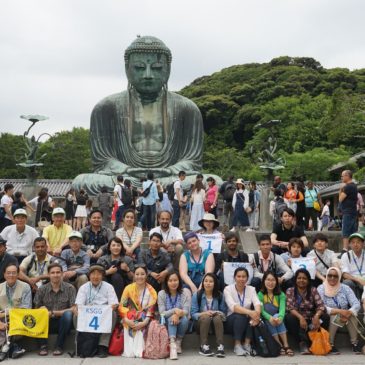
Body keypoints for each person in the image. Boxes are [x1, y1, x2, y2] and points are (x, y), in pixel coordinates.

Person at [72, 35, 209, 195]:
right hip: (125, 176)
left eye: (157, 68)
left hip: (169, 176)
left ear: (168, 69)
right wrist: (128, 170)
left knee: (209, 181)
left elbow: (192, 161)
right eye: (139, 67)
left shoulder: (187, 108)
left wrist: (171, 170)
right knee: (82, 181)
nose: (148, 74)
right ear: (127, 68)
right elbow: (103, 161)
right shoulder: (106, 107)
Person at [74, 264, 119, 358]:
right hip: (88, 314)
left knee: (113, 314)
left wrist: (105, 310)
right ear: (89, 276)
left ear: (102, 276)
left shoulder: (109, 287)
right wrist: (78, 309)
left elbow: (114, 304)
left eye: (99, 274)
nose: (95, 276)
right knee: (75, 315)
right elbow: (79, 304)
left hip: (103, 315)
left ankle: (103, 345)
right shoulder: (84, 287)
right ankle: (83, 342)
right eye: (93, 274)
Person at [34, 262, 76, 356]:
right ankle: (43, 345)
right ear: (49, 275)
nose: (55, 275)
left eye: (58, 272)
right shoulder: (42, 289)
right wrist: (41, 308)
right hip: (46, 323)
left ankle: (59, 346)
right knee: (37, 314)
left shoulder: (70, 288)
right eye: (53, 273)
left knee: (68, 315)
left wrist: (53, 313)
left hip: (64, 323)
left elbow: (73, 308)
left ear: (62, 274)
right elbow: (35, 308)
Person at [317, 267, 362, 354]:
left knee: (353, 314)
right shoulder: (321, 288)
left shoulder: (345, 288)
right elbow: (321, 306)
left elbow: (356, 303)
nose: (332, 278)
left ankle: (354, 343)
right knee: (335, 315)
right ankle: (330, 343)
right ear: (326, 276)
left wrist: (349, 312)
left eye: (335, 276)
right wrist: (339, 311)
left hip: (345, 316)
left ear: (339, 277)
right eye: (330, 276)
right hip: (329, 315)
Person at [285, 268, 329, 355]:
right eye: (299, 278)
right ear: (295, 279)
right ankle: (302, 343)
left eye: (304, 278)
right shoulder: (290, 291)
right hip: (298, 320)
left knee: (325, 317)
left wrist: (316, 316)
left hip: (311, 321)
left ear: (308, 280)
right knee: (289, 318)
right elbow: (290, 307)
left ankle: (314, 340)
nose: (301, 280)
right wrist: (300, 318)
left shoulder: (313, 290)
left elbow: (321, 306)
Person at [119, 265, 157, 358]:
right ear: (134, 275)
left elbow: (151, 308)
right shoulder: (128, 288)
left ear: (146, 275)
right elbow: (122, 305)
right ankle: (130, 350)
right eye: (137, 274)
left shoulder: (151, 290)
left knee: (140, 317)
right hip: (130, 317)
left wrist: (144, 322)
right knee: (131, 315)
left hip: (146, 318)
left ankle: (140, 350)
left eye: (142, 274)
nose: (140, 276)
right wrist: (126, 319)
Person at [224, 267, 261, 356]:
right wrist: (250, 312)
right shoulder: (228, 289)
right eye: (239, 276)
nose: (241, 279)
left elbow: (257, 303)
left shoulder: (251, 289)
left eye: (244, 276)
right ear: (234, 278)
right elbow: (233, 307)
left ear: (247, 278)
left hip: (246, 319)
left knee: (252, 315)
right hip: (231, 320)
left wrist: (257, 314)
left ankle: (247, 344)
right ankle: (237, 345)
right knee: (241, 315)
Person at [0, 263, 32, 360]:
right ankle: (13, 348)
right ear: (4, 274)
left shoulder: (25, 287)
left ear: (18, 274)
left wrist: (5, 314)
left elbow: (26, 308)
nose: (11, 275)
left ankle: (3, 350)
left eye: (14, 273)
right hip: (1, 318)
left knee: (10, 324)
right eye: (8, 273)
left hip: (19, 317)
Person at [191, 273, 227, 357]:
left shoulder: (220, 295)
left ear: (215, 283)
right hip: (201, 323)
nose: (208, 283)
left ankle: (220, 346)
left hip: (215, 324)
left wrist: (217, 312)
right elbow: (193, 314)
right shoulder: (197, 295)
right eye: (206, 281)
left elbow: (224, 313)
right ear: (203, 283)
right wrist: (204, 313)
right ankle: (203, 346)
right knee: (206, 317)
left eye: (211, 281)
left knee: (217, 317)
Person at [257, 271, 293, 356]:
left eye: (273, 280)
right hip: (266, 319)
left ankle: (286, 344)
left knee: (276, 315)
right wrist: (270, 318)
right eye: (268, 280)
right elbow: (261, 311)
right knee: (271, 320)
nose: (270, 283)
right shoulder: (260, 294)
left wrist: (280, 318)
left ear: (276, 282)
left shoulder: (281, 294)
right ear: (264, 281)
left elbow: (282, 309)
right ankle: (279, 345)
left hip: (278, 319)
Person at [157, 271, 191, 360]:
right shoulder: (161, 293)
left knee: (184, 319)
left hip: (180, 321)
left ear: (179, 281)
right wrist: (174, 311)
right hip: (165, 322)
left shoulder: (184, 293)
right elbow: (162, 313)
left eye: (175, 280)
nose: (173, 283)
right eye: (170, 280)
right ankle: (172, 344)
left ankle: (178, 341)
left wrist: (177, 314)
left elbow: (186, 311)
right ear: (166, 282)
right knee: (171, 318)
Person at [341, 232, 365, 298]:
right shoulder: (346, 255)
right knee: (347, 282)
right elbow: (344, 274)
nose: (355, 244)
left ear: (363, 244)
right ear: (349, 245)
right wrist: (358, 280)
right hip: (353, 280)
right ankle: (354, 303)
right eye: (353, 242)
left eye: (358, 242)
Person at [339, 170, 358, 252]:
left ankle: (345, 249)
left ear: (347, 176)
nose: (341, 178)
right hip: (353, 211)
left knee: (346, 231)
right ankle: (354, 249)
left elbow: (340, 199)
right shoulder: (354, 186)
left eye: (342, 176)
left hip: (348, 211)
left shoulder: (348, 187)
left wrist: (340, 189)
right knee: (353, 231)